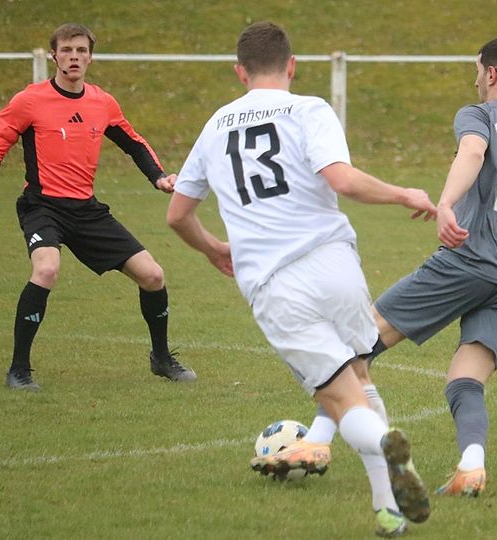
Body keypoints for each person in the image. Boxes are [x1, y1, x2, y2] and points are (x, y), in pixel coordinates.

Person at [165, 22, 434, 537]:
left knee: (340, 398)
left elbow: (178, 215)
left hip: (274, 282)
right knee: (359, 375)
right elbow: (342, 180)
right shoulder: (310, 109)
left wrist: (213, 248)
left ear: (240, 72)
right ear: (292, 66)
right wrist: (404, 193)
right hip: (335, 263)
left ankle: (382, 448)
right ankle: (389, 510)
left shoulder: (215, 126)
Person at [292, 36, 497, 498]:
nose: (475, 78)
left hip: (468, 259)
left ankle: (317, 443)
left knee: (358, 341)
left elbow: (472, 153)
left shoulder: (479, 115)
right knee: (465, 381)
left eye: (477, 69)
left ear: (491, 74)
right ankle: (471, 466)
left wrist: (445, 203)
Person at [0, 23, 195, 391]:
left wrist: (158, 177)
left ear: (90, 57)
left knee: (153, 276)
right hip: (42, 207)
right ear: (54, 56)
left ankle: (161, 358)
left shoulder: (102, 102)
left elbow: (134, 143)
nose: (74, 57)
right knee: (46, 269)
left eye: (81, 50)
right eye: (66, 50)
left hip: (87, 210)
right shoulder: (29, 101)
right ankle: (19, 370)